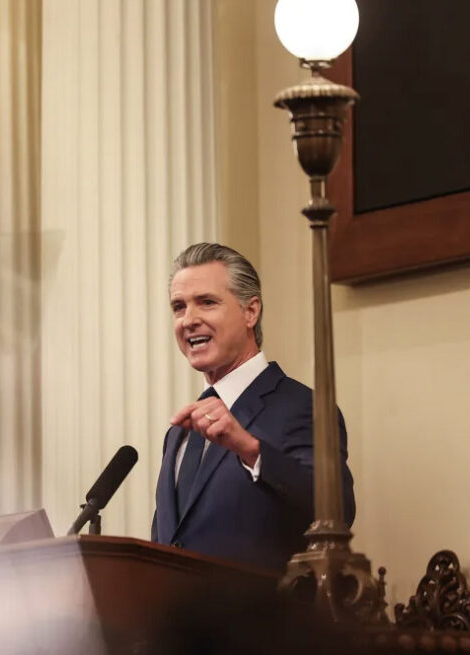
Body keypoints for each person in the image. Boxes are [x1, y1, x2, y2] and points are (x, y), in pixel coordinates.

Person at [151, 242, 355, 572]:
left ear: (251, 311)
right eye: (179, 307)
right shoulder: (180, 433)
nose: (189, 320)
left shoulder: (302, 407)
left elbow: (339, 511)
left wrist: (250, 450)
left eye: (206, 302)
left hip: (263, 605)